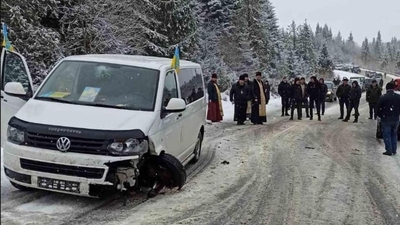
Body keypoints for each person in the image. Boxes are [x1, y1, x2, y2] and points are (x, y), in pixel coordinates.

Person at [376, 82, 400, 156]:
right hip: (396, 119)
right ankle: (394, 150)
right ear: (394, 88)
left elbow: (378, 108)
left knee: (387, 135)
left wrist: (379, 116)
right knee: (394, 134)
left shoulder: (383, 97)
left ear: (386, 89)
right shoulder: (398, 97)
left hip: (385, 118)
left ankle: (389, 150)